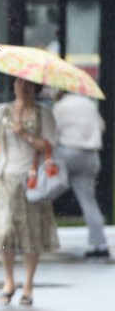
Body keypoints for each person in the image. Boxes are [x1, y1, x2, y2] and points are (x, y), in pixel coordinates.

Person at [0, 78, 59, 306]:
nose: (24, 87)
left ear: (37, 87)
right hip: (7, 179)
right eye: (20, 83)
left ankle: (29, 285)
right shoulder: (1, 111)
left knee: (32, 233)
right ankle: (9, 280)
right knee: (6, 230)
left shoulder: (45, 114)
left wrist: (24, 134)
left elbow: (50, 145)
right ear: (13, 85)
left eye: (29, 84)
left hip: (34, 181)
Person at [53, 91, 110, 258]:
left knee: (45, 192)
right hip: (91, 155)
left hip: (67, 153)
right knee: (88, 202)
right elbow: (101, 126)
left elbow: (51, 131)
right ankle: (100, 245)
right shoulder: (89, 104)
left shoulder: (60, 106)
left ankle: (37, 237)